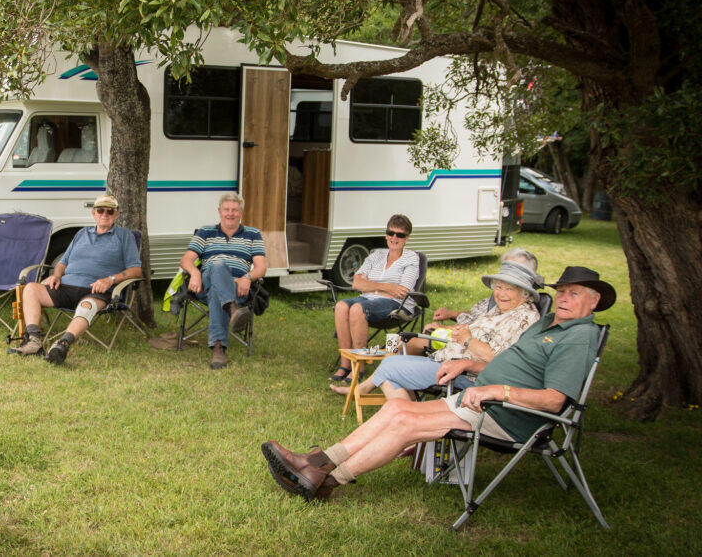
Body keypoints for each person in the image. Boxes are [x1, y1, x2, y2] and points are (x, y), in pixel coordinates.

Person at [263, 265, 615, 503]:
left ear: (594, 301)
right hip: (472, 386)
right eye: (563, 291)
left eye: (574, 294)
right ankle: (317, 460)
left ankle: (324, 483)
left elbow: (554, 401)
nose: (565, 298)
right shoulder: (550, 322)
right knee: (399, 403)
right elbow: (506, 357)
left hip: (505, 414)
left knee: (402, 410)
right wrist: (465, 351)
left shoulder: (577, 337)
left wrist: (495, 389)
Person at [330, 260, 541, 400]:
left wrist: (467, 340)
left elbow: (499, 360)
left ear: (525, 294)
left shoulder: (524, 318)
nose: (501, 293)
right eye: (499, 287)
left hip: (466, 374)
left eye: (509, 288)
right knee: (391, 366)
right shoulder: (502, 310)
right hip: (448, 360)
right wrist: (454, 331)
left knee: (390, 369)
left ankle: (396, 414)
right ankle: (409, 420)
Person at [13, 194, 142, 365]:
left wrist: (110, 280)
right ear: (93, 213)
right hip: (65, 287)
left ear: (116, 214)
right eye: (100, 210)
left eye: (109, 211)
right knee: (30, 289)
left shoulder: (124, 235)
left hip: (95, 290)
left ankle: (62, 345)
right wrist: (56, 276)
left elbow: (136, 270)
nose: (104, 214)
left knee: (86, 307)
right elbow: (63, 262)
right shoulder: (82, 233)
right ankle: (33, 342)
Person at [179, 193, 267, 370]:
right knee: (217, 265)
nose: (230, 213)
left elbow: (261, 267)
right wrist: (195, 272)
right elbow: (186, 259)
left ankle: (218, 348)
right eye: (226, 209)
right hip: (205, 282)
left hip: (237, 287)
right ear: (219, 212)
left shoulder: (253, 234)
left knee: (216, 295)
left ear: (241, 212)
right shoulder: (206, 231)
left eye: (235, 210)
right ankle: (233, 308)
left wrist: (247, 277)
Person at [330, 214, 419, 383]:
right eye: (391, 233)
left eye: (400, 235)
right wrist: (387, 287)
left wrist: (371, 285)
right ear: (386, 234)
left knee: (357, 309)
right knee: (341, 306)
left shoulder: (411, 259)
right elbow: (356, 283)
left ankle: (359, 366)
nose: (394, 238)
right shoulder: (376, 254)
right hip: (370, 298)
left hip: (397, 305)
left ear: (406, 238)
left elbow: (402, 292)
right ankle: (345, 364)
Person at [430, 247, 541, 326]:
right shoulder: (499, 296)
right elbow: (477, 315)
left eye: (513, 271)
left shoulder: (520, 310)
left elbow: (484, 334)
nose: (506, 275)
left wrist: (447, 329)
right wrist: (452, 314)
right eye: (505, 267)